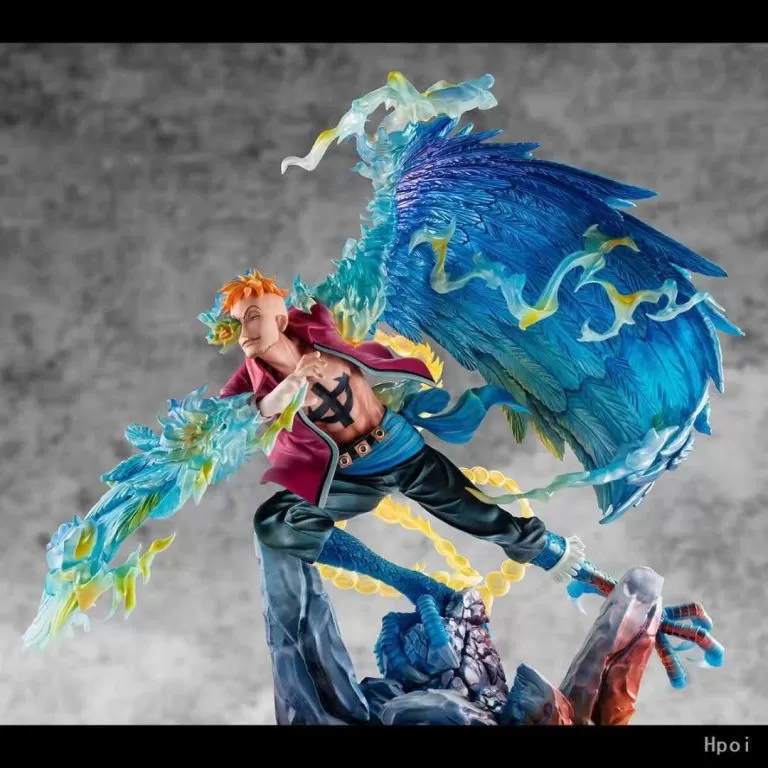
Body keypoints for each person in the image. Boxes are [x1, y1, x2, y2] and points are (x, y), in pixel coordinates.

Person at [217, 269, 586, 609]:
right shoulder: (256, 381)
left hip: (398, 447)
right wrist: (295, 381)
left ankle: (556, 556)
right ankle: (415, 585)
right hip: (351, 476)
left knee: (476, 512)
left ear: (280, 320)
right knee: (277, 520)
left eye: (253, 317)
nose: (245, 331)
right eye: (238, 322)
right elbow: (252, 412)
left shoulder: (320, 321)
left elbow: (368, 283)